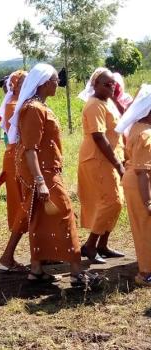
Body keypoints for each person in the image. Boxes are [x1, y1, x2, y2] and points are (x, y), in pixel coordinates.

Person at [12, 63, 103, 288]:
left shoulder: (38, 106)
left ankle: (36, 269)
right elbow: (30, 148)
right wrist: (40, 181)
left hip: (46, 171)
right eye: (54, 80)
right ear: (43, 83)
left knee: (40, 219)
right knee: (65, 216)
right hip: (44, 174)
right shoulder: (34, 109)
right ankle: (76, 273)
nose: (57, 84)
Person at [77, 68, 125, 264]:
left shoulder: (109, 103)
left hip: (111, 158)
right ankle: (90, 245)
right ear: (94, 85)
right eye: (106, 84)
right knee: (110, 202)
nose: (111, 87)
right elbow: (99, 136)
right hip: (98, 160)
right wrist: (117, 164)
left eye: (113, 84)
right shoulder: (94, 104)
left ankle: (102, 245)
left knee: (117, 202)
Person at [0, 70, 30, 271]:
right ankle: (8, 255)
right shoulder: (15, 104)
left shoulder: (22, 102)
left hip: (21, 156)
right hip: (17, 158)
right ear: (14, 85)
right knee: (24, 205)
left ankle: (41, 254)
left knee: (30, 205)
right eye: (24, 81)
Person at [114, 84, 151, 286]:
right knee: (146, 228)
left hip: (138, 183)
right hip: (141, 186)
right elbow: (143, 172)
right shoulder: (146, 134)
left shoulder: (140, 128)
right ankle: (146, 274)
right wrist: (148, 202)